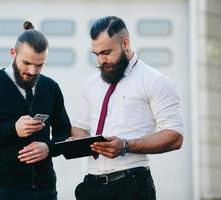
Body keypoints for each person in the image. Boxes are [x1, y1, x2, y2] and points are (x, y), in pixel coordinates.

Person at [71, 16, 184, 200]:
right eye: (96, 54)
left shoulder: (155, 81)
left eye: (106, 52)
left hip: (131, 186)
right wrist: (88, 143)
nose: (101, 60)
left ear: (125, 43)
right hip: (91, 187)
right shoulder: (91, 83)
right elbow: (79, 128)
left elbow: (175, 136)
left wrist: (125, 146)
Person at [0, 21, 71, 200]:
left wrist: (49, 148)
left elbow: (65, 131)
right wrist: (13, 130)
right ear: (13, 53)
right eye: (27, 63)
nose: (32, 71)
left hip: (46, 190)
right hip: (6, 191)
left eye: (39, 65)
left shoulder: (51, 87)